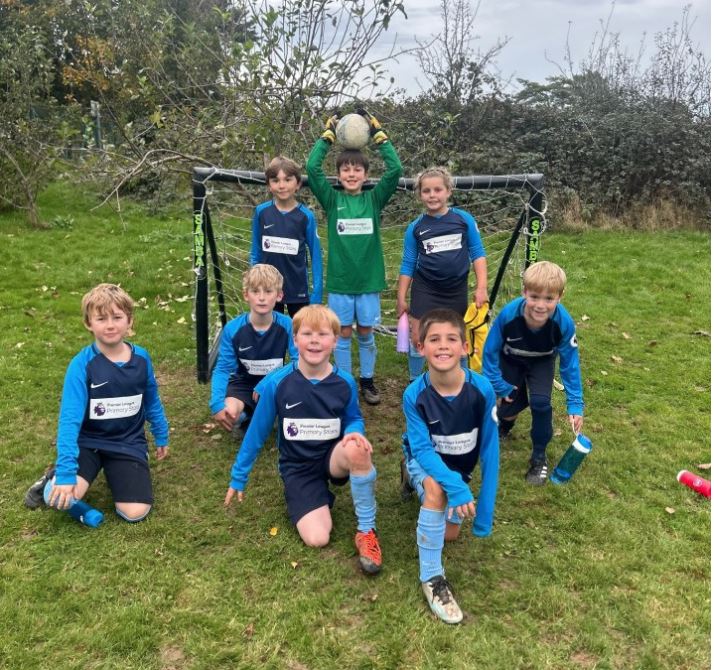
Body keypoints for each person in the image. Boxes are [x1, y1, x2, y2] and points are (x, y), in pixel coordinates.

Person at [224, 304, 382, 575]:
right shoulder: (278, 384)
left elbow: (353, 418)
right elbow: (256, 433)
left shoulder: (344, 382)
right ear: (295, 340)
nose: (314, 341)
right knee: (317, 538)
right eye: (307, 334)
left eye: (323, 334)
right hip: (298, 467)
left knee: (358, 449)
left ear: (335, 340)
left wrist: (354, 431)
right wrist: (239, 476)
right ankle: (312, 496)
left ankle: (367, 531)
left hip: (332, 457)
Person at [23, 283, 169, 523]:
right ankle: (52, 479)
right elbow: (69, 421)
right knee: (60, 498)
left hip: (127, 442)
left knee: (135, 513)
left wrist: (161, 433)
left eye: (117, 317)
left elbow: (151, 399)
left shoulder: (142, 358)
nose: (110, 325)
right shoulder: (81, 365)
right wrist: (67, 473)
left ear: (130, 321)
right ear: (88, 323)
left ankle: (116, 471)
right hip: (88, 443)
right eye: (101, 318)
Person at [401, 308, 499, 624]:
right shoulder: (414, 394)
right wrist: (455, 487)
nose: (443, 345)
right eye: (434, 339)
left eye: (451, 339)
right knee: (436, 490)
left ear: (465, 347)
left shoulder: (482, 390)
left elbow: (490, 450)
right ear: (420, 347)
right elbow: (423, 449)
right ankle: (432, 577)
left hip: (460, 470)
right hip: (426, 460)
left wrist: (484, 512)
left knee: (450, 534)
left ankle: (411, 480)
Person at [306, 108, 402, 405]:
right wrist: (327, 136)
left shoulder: (374, 199)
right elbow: (311, 168)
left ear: (365, 174)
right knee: (343, 332)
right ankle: (346, 382)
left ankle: (368, 381)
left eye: (357, 169)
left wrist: (378, 134)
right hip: (341, 281)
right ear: (339, 174)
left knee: (365, 331)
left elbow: (395, 169)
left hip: (368, 281)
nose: (351, 174)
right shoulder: (332, 199)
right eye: (345, 169)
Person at [482, 261, 584, 485]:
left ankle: (538, 457)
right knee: (508, 403)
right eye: (534, 297)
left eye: (549, 299)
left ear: (560, 296)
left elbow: (570, 364)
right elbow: (489, 352)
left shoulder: (564, 323)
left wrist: (575, 404)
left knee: (541, 404)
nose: (540, 305)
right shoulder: (509, 315)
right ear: (524, 292)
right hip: (511, 359)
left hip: (541, 361)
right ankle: (504, 425)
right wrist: (498, 384)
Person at [397, 167, 488, 381]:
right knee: (418, 337)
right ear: (420, 195)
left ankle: (462, 380)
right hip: (425, 289)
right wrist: (401, 297)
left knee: (458, 336)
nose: (432, 195)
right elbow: (408, 264)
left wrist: (481, 287)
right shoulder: (415, 228)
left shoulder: (463, 220)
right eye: (426, 191)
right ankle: (414, 381)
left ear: (448, 191)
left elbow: (478, 253)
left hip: (456, 291)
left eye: (438, 190)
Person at [210, 264, 298, 433]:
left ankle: (269, 412)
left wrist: (269, 381)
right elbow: (223, 368)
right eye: (255, 291)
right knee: (230, 414)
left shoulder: (288, 324)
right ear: (246, 295)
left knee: (301, 401)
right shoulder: (233, 328)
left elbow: (299, 361)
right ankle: (249, 415)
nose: (261, 298)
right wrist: (216, 403)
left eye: (268, 291)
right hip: (243, 383)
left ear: (279, 295)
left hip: (275, 381)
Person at [249, 156, 323, 317]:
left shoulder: (306, 216)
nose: (282, 185)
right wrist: (254, 282)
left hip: (298, 290)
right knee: (270, 330)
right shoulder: (261, 212)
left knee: (300, 330)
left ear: (298, 184)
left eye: (288, 180)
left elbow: (316, 256)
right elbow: (256, 252)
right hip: (268, 289)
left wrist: (317, 293)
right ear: (269, 185)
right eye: (275, 180)